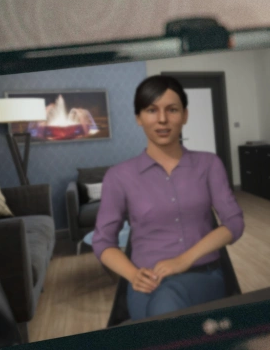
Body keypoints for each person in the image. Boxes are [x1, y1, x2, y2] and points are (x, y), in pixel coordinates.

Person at [93, 76, 244, 321]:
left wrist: (183, 260)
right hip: (145, 285)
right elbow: (103, 242)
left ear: (184, 115)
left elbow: (234, 223)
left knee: (167, 303)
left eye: (172, 110)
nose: (162, 119)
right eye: (152, 110)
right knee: (163, 304)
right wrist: (132, 275)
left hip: (202, 277)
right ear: (138, 117)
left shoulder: (209, 164)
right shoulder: (119, 176)